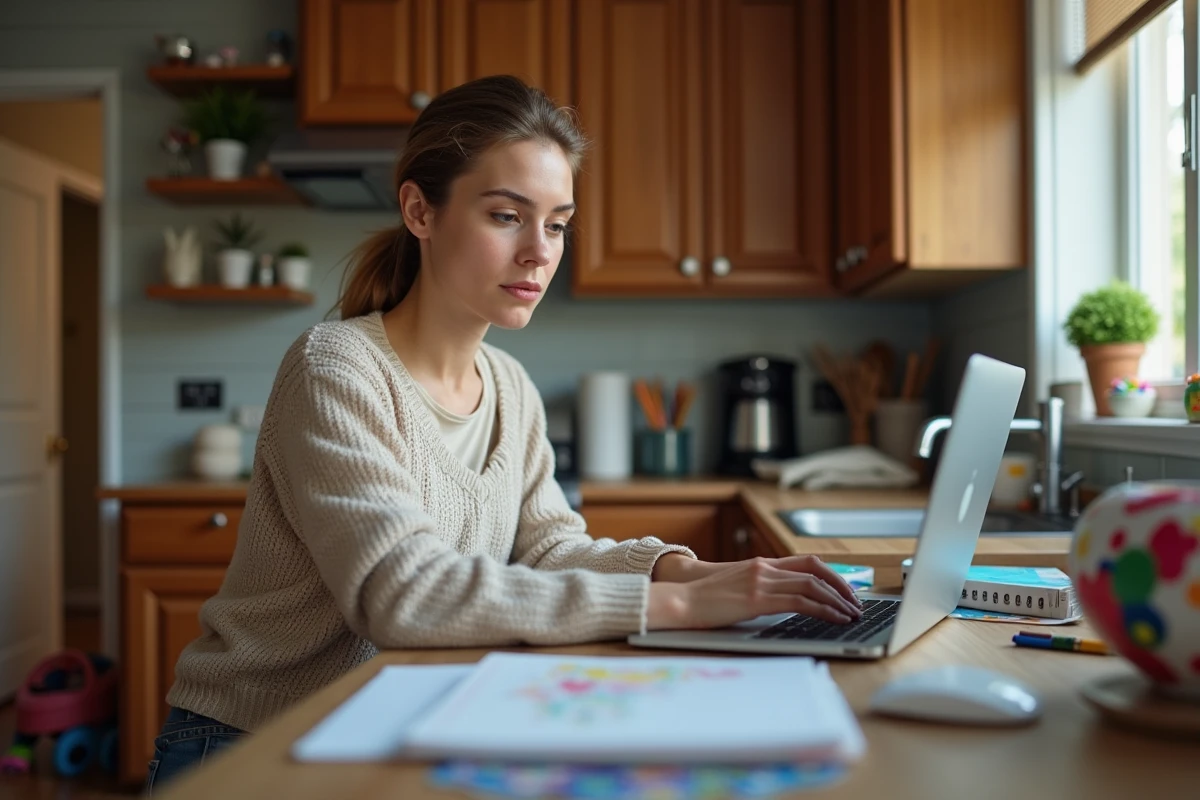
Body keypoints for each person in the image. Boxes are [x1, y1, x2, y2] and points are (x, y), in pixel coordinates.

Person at [143, 75, 862, 795]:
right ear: (420, 210)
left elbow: (549, 548)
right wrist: (680, 608)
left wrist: (688, 573)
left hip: (393, 722)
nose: (539, 253)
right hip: (254, 740)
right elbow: (401, 596)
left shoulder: (511, 389)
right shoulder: (335, 366)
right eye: (506, 216)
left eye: (556, 224)